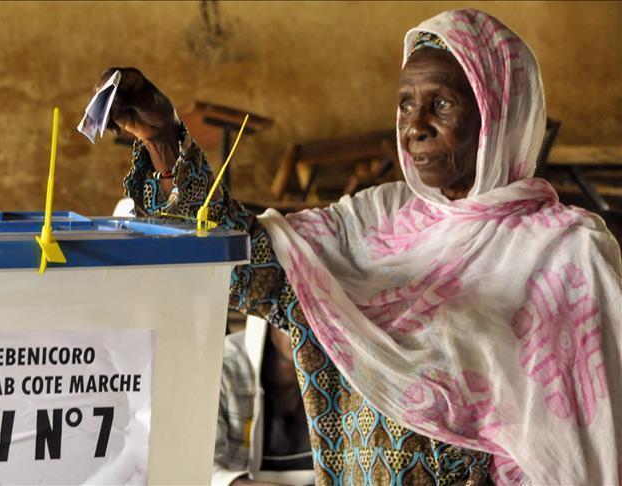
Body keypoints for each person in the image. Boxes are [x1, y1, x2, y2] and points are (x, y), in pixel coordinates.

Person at [93, 9, 622, 485]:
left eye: (441, 103)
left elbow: (589, 438)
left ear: (498, 114)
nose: (415, 127)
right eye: (405, 104)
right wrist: (164, 143)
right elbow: (251, 266)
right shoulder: (378, 219)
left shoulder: (568, 251)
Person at [214, 316, 314, 486]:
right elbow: (201, 469)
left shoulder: (346, 372)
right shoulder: (223, 364)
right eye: (289, 319)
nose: (300, 332)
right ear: (266, 318)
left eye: (313, 321)